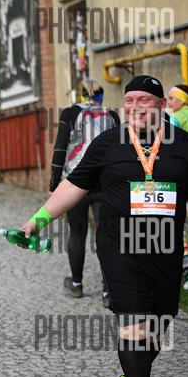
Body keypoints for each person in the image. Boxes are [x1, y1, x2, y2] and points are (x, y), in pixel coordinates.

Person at [18, 75, 188, 377]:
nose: (134, 107)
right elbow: (74, 185)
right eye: (129, 100)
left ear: (161, 105)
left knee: (160, 322)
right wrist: (36, 221)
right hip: (120, 249)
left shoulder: (184, 145)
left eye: (143, 100)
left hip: (165, 250)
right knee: (134, 323)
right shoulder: (108, 143)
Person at [49, 79, 120, 305]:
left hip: (76, 181)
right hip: (105, 183)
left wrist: (54, 183)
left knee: (77, 233)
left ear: (80, 95)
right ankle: (108, 291)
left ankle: (77, 284)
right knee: (106, 235)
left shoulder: (70, 113)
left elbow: (60, 147)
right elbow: (120, 149)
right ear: (102, 95)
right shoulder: (112, 115)